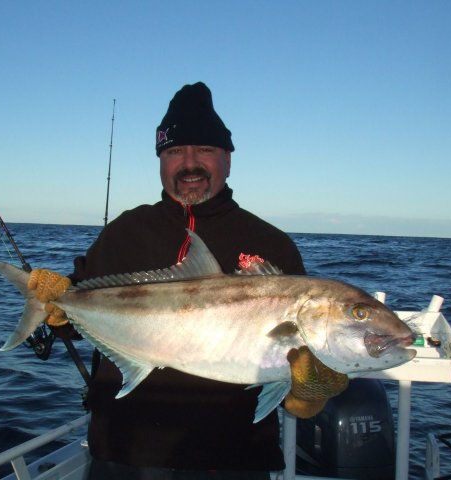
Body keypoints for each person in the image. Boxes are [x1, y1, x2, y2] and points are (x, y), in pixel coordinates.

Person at [34, 82, 309, 479]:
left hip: (235, 458)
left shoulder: (270, 243)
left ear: (228, 158)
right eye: (175, 151)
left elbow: (287, 362)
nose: (190, 163)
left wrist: (308, 388)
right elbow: (76, 319)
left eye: (205, 150)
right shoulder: (124, 231)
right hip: (125, 451)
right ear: (161, 160)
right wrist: (58, 312)